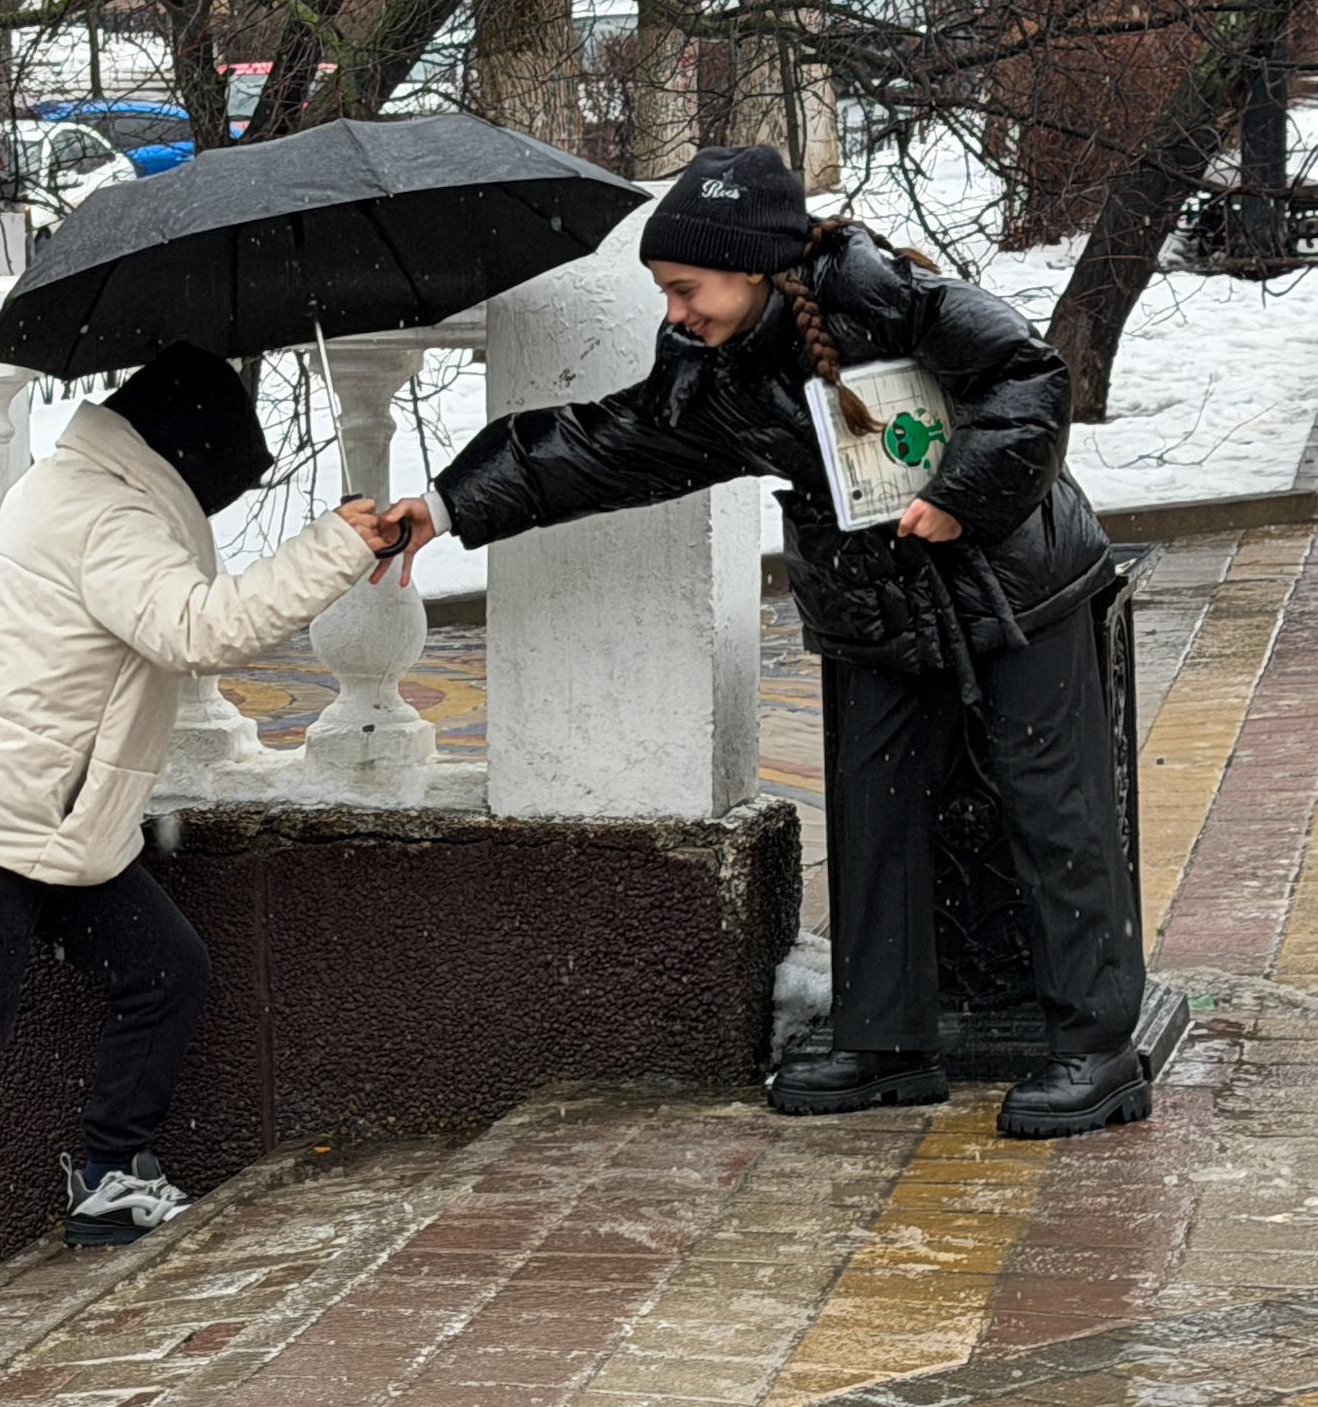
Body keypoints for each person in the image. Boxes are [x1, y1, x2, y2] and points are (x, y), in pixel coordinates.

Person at [389, 145, 1148, 1140]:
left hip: (1015, 587)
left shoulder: (883, 294)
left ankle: (1096, 1050)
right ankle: (886, 1044)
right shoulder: (710, 369)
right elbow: (602, 445)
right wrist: (445, 505)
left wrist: (960, 495)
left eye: (684, 289)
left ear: (751, 268)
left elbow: (1028, 376)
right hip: (876, 605)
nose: (674, 313)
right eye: (665, 293)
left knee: (1055, 811)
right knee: (874, 817)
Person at [0, 342, 408, 1353]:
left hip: (57, 824)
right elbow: (197, 632)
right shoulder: (108, 517)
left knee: (163, 969)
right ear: (186, 454)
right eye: (220, 482)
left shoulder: (87, 488)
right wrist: (333, 547)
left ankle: (111, 1177)